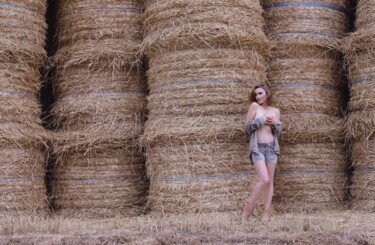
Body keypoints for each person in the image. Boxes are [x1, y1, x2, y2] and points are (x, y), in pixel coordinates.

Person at [241, 83, 282, 222]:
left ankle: (266, 212)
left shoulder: (275, 111)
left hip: (271, 148)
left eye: (260, 93)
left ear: (267, 93)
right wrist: (260, 121)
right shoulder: (254, 107)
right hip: (257, 148)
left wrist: (275, 123)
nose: (257, 96)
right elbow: (246, 129)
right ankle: (248, 208)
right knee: (264, 179)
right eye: (256, 94)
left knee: (270, 181)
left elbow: (277, 132)